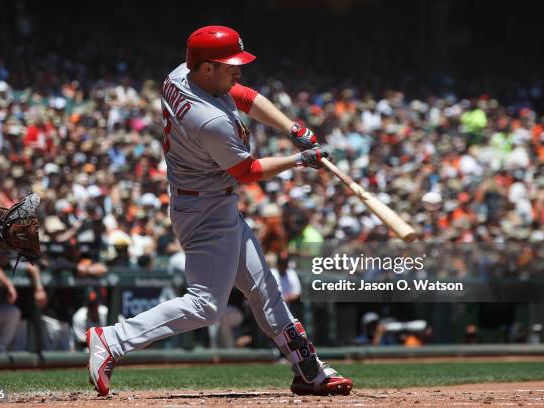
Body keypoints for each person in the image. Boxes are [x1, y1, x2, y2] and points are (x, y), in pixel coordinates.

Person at [87, 25, 352, 397]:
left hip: (208, 200)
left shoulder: (181, 75)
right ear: (207, 68)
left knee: (265, 291)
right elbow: (247, 171)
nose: (238, 70)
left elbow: (243, 95)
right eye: (229, 65)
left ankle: (308, 369)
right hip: (204, 208)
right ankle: (112, 339)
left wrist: (292, 127)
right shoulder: (207, 119)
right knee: (206, 305)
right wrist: (299, 160)